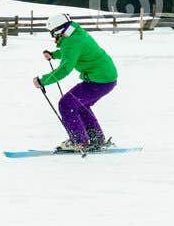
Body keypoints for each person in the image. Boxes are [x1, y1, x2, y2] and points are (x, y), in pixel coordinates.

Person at [33, 14, 118, 151]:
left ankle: (78, 142)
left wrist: (43, 81)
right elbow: (71, 52)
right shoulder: (76, 34)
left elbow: (65, 68)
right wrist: (54, 55)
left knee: (66, 104)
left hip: (99, 80)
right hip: (105, 78)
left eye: (52, 33)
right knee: (80, 106)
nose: (53, 36)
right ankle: (96, 139)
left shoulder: (72, 41)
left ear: (58, 30)